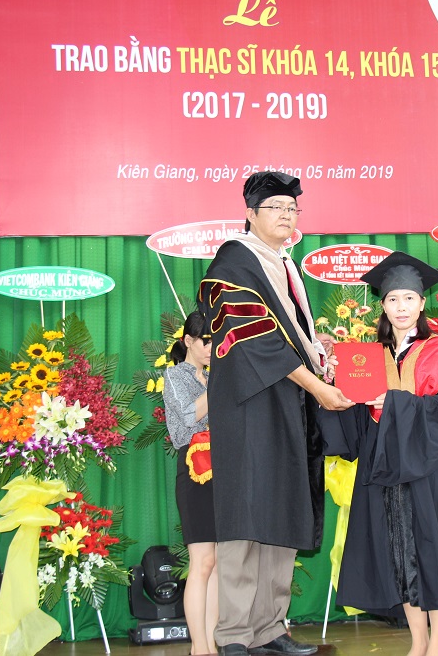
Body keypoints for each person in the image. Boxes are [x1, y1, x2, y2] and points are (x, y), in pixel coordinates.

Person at [197, 171, 352, 656]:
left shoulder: (284, 264)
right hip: (251, 406)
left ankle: (269, 628)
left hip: (287, 403)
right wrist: (317, 387)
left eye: (292, 208)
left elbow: (285, 333)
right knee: (247, 513)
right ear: (250, 213)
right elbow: (256, 338)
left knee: (283, 509)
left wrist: (316, 350)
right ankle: (234, 634)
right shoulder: (235, 260)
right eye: (276, 207)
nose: (286, 215)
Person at [317, 252, 438, 656]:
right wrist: (332, 381)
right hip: (383, 466)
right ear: (382, 306)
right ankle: (417, 643)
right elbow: (353, 415)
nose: (401, 307)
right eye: (392, 300)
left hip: (428, 468)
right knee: (398, 553)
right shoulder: (369, 358)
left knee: (432, 550)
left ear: (422, 304)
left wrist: (399, 404)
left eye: (408, 299)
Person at [162, 311, 217, 655]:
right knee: (202, 561)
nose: (212, 348)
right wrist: (221, 381)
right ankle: (199, 647)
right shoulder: (175, 375)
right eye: (205, 341)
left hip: (225, 466)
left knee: (220, 563)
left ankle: (212, 643)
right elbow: (187, 416)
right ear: (188, 341)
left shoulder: (213, 375)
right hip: (195, 465)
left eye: (216, 341)